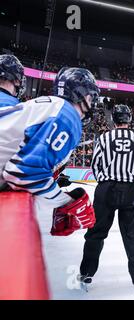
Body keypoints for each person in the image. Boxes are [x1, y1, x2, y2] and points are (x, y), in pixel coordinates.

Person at [0, 67, 99, 236]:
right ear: (80, 94)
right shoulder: (68, 115)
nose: (94, 102)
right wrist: (66, 203)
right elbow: (22, 174)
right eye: (92, 96)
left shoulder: (53, 107)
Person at [80, 104, 134, 293]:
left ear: (114, 119)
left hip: (106, 190)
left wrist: (104, 182)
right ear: (129, 119)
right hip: (131, 190)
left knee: (96, 233)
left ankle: (86, 274)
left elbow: (95, 164)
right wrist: (133, 179)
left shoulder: (104, 137)